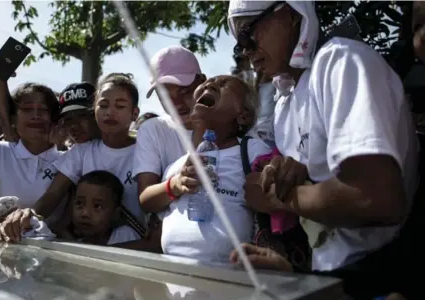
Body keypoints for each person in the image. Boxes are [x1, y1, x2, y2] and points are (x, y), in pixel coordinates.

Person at [228, 0, 418, 298]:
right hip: (331, 280)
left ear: (290, 13)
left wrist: (281, 198)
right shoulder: (284, 105)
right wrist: (295, 274)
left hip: (382, 277)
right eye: (239, 45)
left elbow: (375, 199)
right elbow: (325, 218)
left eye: (248, 34)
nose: (247, 51)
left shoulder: (340, 62)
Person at [0, 74, 149, 249]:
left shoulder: (148, 150)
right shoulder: (80, 152)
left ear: (134, 113)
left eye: (82, 115)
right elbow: (52, 196)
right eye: (67, 119)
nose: (110, 112)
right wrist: (27, 214)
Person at [144, 75, 270, 263]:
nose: (209, 84)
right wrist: (175, 185)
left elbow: (272, 199)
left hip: (231, 280)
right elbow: (147, 202)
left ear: (243, 116)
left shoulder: (252, 151)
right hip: (174, 279)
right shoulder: (180, 165)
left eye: (223, 84)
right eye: (204, 85)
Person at [0, 82, 66, 227]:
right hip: (1, 242)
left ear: (53, 118)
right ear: (13, 119)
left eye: (43, 109)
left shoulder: (68, 159)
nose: (36, 115)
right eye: (27, 109)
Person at [134, 46, 206, 213]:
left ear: (202, 82)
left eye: (185, 91)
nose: (177, 103)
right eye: (165, 97)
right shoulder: (152, 130)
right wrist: (175, 184)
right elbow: (145, 200)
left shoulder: (228, 124)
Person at [25, 170, 140, 246]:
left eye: (97, 206)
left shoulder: (125, 236)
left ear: (116, 213)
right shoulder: (65, 240)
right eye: (79, 204)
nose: (85, 213)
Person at [57, 82, 99, 148]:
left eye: (81, 115)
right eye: (68, 119)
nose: (74, 125)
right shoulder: (64, 156)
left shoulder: (118, 149)